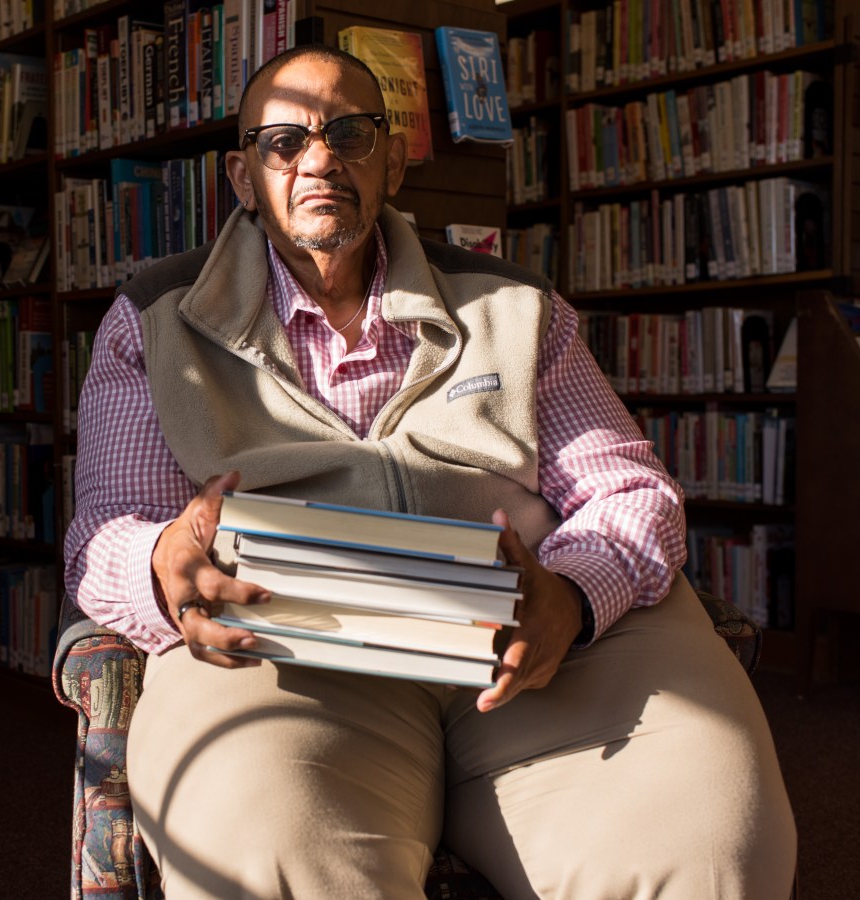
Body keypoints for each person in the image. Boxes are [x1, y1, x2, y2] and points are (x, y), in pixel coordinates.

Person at [63, 44, 797, 899]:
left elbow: (627, 491)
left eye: (350, 133)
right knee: (267, 853)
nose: (321, 158)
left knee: (706, 847)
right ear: (240, 175)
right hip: (291, 653)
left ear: (396, 162)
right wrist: (161, 565)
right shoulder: (151, 322)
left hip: (539, 640)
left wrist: (573, 598)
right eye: (284, 141)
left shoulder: (515, 307)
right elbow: (101, 534)